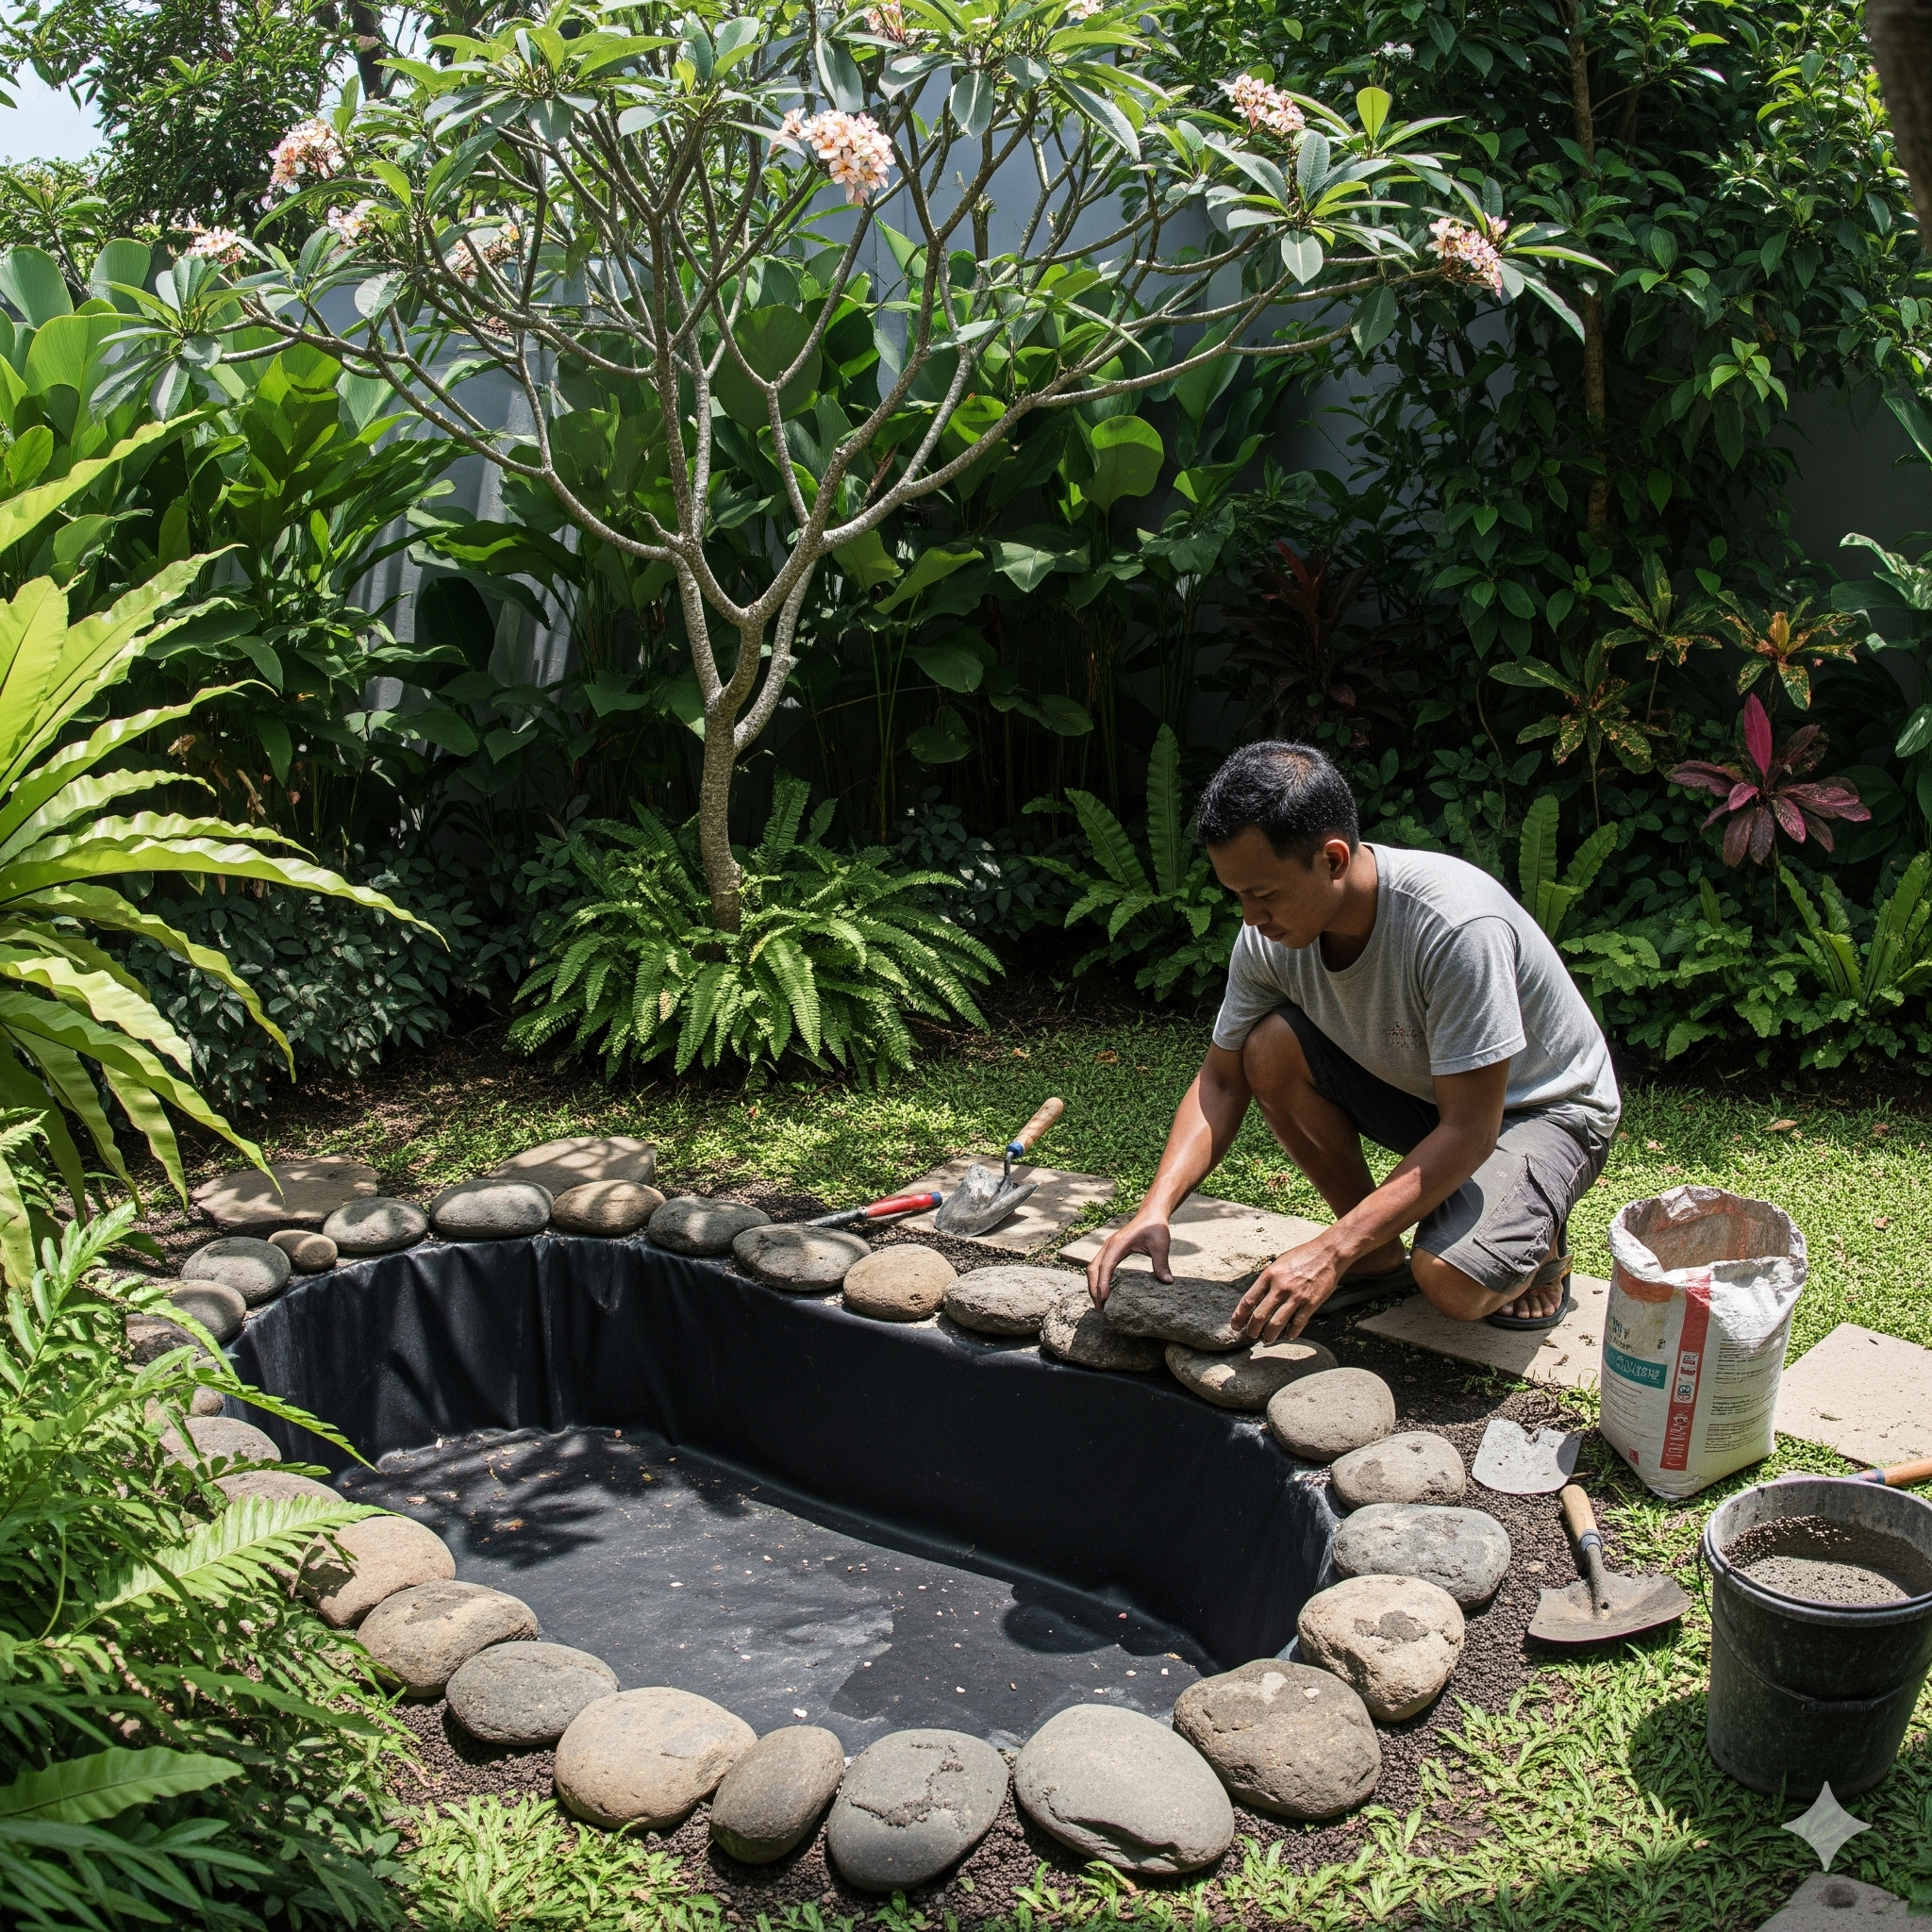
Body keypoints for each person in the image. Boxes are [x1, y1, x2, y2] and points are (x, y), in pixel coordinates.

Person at [1085, 741, 1621, 1341]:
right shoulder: (1269, 937)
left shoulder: (1454, 928)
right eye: (1237, 895)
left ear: (1333, 859)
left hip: (1540, 1109)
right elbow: (1222, 1079)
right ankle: (1373, 1252)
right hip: (1433, 1096)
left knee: (1451, 1282)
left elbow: (1471, 1129)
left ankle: (1539, 1246)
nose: (1249, 916)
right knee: (1266, 1048)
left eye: (1263, 894)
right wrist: (1155, 1208)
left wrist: (1326, 1251)